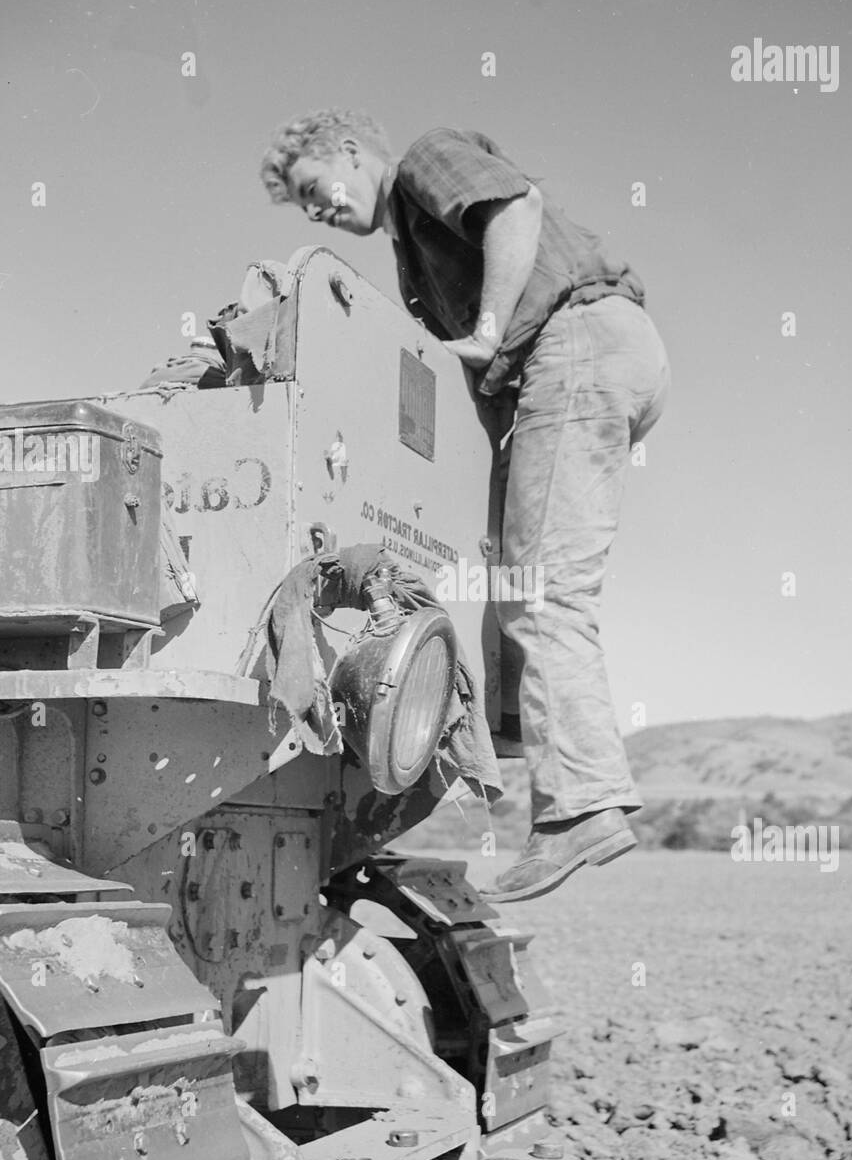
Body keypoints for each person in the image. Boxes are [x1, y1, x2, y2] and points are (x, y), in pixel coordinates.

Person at [260, 110, 671, 903]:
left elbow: (516, 208)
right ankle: (555, 783)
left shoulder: (423, 162)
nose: (319, 213)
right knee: (520, 586)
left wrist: (484, 331)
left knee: (541, 597)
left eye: (316, 188)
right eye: (305, 209)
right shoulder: (411, 256)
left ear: (348, 151)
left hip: (576, 343)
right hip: (593, 354)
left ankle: (579, 806)